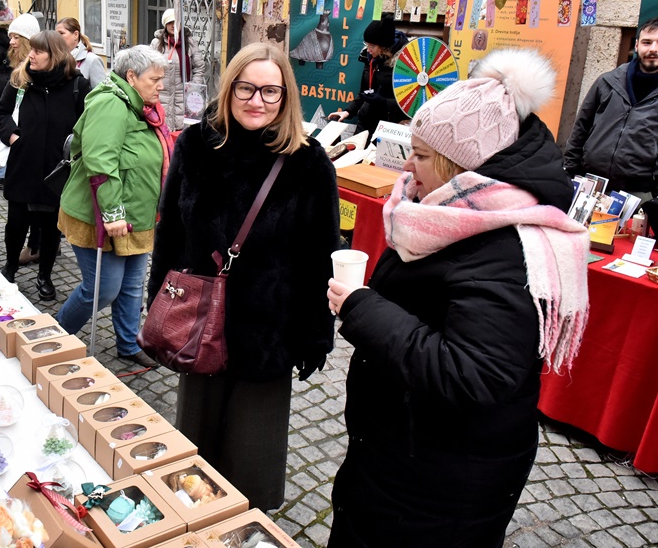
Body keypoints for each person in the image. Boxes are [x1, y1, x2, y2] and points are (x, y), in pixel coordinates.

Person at [325, 49, 590, 547]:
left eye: (423, 155)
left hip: (442, 480)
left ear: (463, 166)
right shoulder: (444, 214)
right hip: (406, 453)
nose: (408, 165)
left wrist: (363, 307)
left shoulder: (507, 245)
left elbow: (474, 373)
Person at [147, 42, 339, 510]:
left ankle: (243, 529)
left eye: (271, 91)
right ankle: (192, 527)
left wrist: (316, 334)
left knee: (251, 459)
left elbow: (321, 256)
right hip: (198, 322)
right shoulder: (196, 146)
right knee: (195, 454)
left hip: (268, 332)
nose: (257, 101)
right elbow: (169, 231)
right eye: (246, 88)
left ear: (285, 96)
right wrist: (158, 302)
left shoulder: (309, 162)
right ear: (229, 88)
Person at [56, 45, 171, 368]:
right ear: (131, 77)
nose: (161, 86)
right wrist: (113, 214)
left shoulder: (141, 107)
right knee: (103, 288)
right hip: (103, 215)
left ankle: (128, 343)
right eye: (154, 80)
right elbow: (101, 163)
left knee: (132, 286)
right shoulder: (111, 103)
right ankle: (55, 336)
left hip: (138, 214)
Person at [0, 31, 90, 301]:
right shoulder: (21, 79)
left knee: (50, 227)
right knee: (16, 223)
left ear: (54, 55)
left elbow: (88, 124)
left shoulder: (77, 85)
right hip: (23, 165)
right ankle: (10, 267)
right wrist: (13, 136)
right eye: (32, 50)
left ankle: (44, 276)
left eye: (38, 51)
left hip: (56, 170)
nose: (30, 55)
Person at [564, 17, 658, 200]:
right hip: (590, 183)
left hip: (638, 193)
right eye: (647, 42)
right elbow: (581, 127)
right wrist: (570, 168)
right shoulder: (608, 81)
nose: (653, 49)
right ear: (637, 45)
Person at [0, 13, 38, 189]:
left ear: (27, 40)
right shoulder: (17, 64)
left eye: (16, 37)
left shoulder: (34, 68)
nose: (11, 42)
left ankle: (0, 176)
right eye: (11, 37)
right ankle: (1, 175)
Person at [328, 13, 409, 135]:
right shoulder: (370, 58)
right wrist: (348, 111)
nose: (368, 49)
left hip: (389, 127)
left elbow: (408, 104)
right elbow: (364, 92)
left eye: (372, 46)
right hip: (366, 121)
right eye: (367, 44)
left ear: (384, 46)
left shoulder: (404, 63)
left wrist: (384, 102)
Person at [151, 8, 205, 131]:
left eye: (176, 22)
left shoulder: (189, 42)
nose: (173, 26)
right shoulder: (156, 44)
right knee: (163, 131)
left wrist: (193, 87)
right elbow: (150, 68)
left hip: (183, 96)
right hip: (162, 96)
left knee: (182, 132)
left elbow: (199, 67)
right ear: (165, 24)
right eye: (170, 22)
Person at [56, 17, 107, 89]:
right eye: (56, 34)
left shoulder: (92, 60)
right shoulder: (56, 60)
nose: (57, 38)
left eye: (61, 33)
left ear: (75, 35)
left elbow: (102, 92)